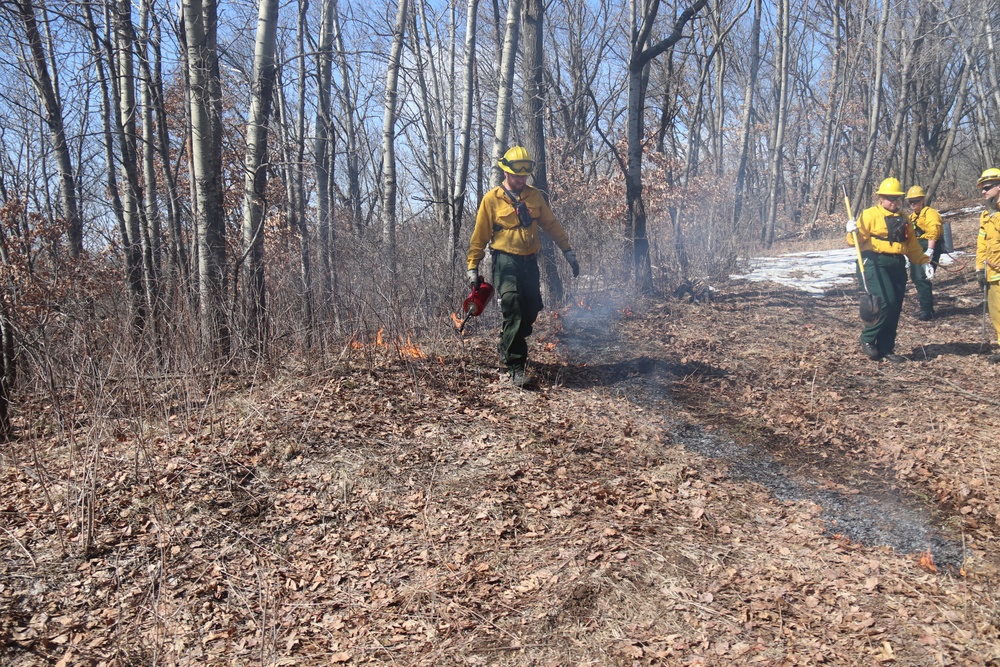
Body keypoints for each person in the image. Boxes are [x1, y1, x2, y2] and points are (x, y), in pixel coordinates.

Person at [466, 146, 580, 387]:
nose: (520, 180)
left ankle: (507, 342)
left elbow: (551, 224)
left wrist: (567, 250)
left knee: (532, 308)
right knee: (514, 308)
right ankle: (516, 368)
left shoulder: (535, 196)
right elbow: (479, 235)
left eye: (523, 176)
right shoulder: (492, 200)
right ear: (505, 172)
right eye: (516, 176)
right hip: (506, 262)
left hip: (530, 261)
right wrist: (472, 267)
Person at [846, 177, 933, 362]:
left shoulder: (904, 218)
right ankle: (868, 338)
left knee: (895, 307)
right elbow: (855, 241)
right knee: (885, 302)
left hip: (898, 263)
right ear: (881, 198)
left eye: (896, 198)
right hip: (874, 263)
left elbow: (912, 245)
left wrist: (924, 261)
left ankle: (886, 348)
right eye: (889, 198)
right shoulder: (869, 215)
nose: (893, 202)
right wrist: (851, 231)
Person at [905, 185, 943, 321]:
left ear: (922, 200)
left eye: (915, 201)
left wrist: (930, 251)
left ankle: (927, 311)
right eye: (910, 201)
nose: (912, 204)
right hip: (916, 248)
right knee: (916, 277)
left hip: (928, 246)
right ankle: (925, 307)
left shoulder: (930, 213)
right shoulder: (911, 217)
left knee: (922, 277)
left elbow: (934, 232)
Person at [976, 168, 1000, 363]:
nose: (984, 192)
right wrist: (979, 268)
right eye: (982, 189)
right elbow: (982, 244)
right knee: (996, 313)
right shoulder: (986, 214)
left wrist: (995, 215)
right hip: (992, 272)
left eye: (987, 187)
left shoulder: (994, 214)